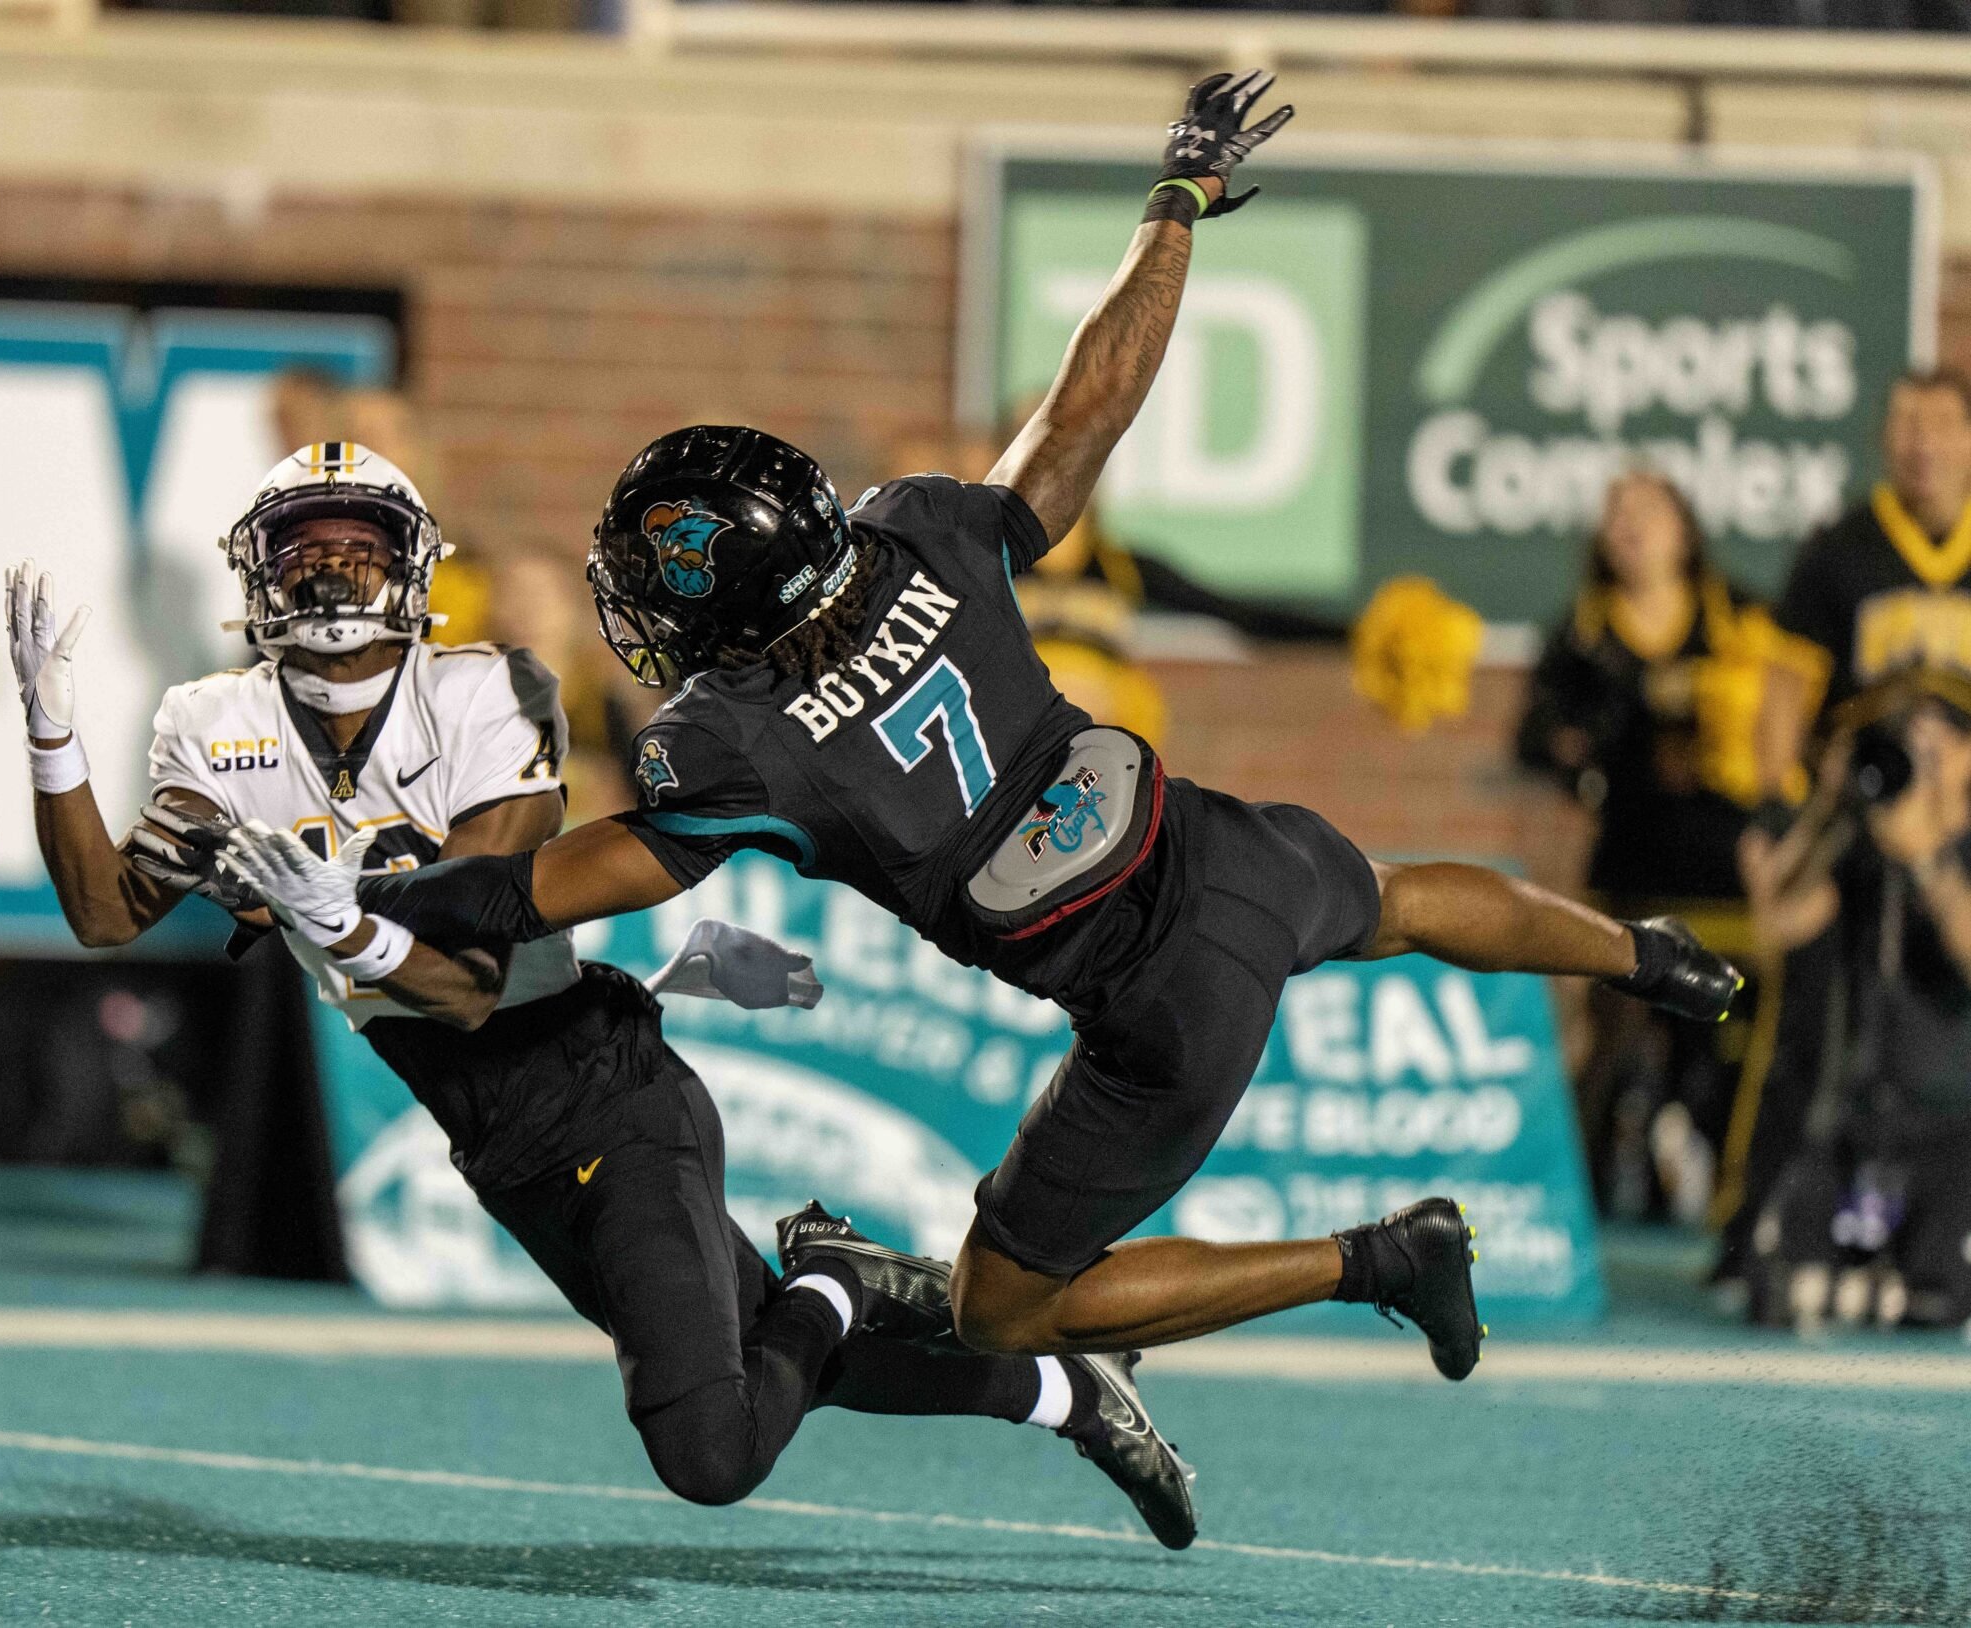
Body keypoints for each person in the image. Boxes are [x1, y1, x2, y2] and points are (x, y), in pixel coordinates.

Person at [223, 71, 1740, 1374]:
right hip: (1224, 852)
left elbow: (543, 888)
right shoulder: (916, 537)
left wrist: (352, 887)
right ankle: (1656, 957)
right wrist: (1176, 204)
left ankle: (1381, 1260)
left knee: (1005, 1303)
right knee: (1404, 898)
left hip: (1154, 1010)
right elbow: (1091, 407)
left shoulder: (736, 742)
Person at [3, 441, 1200, 1544]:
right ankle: (1062, 1391)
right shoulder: (212, 728)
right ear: (256, 571)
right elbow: (107, 911)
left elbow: (473, 981)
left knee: (709, 1449)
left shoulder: (488, 696)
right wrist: (53, 744)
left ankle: (839, 1271)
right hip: (498, 1138)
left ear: (412, 566)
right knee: (758, 1354)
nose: (327, 574)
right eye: (303, 550)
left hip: (605, 1093)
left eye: (356, 546)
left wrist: (347, 925)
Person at [1723, 369, 1971, 1281]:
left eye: (1941, 423)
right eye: (1904, 422)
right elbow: (1784, 700)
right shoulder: (1841, 550)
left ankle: (1937, 1234)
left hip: (1963, 830)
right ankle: (1767, 1223)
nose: (1921, 442)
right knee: (1814, 1026)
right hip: (1857, 816)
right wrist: (1779, 810)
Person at [1516, 471, 1775, 1218]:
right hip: (1630, 870)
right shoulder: (1584, 633)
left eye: (1646, 510)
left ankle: (1734, 1206)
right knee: (1614, 1051)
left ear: (1684, 528)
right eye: (1614, 512)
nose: (1627, 525)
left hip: (1725, 872)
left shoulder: (1741, 619)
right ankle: (1589, 1212)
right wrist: (1589, 746)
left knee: (1723, 1051)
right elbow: (1536, 738)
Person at [1741, 673, 1971, 1331]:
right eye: (1901, 746)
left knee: (1944, 1301)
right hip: (1849, 1123)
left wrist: (1928, 860)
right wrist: (1830, 809)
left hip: (1955, 1128)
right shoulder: (1857, 842)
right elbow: (1777, 925)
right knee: (1778, 1290)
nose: (1914, 764)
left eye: (1934, 746)